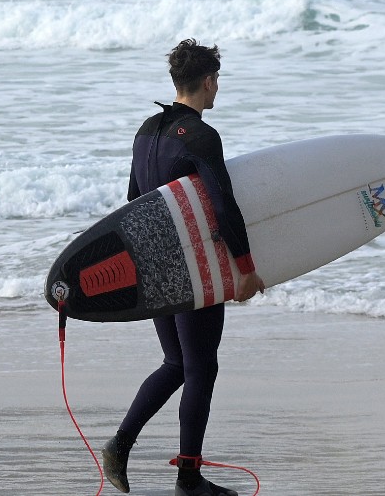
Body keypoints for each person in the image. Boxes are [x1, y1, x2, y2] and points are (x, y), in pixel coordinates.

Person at [101, 39, 264, 496]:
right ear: (209, 81)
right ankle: (189, 479)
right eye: (217, 82)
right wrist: (245, 268)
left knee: (177, 362)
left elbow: (135, 202)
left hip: (153, 266)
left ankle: (119, 444)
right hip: (194, 269)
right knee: (200, 368)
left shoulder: (145, 131)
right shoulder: (201, 136)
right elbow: (223, 203)